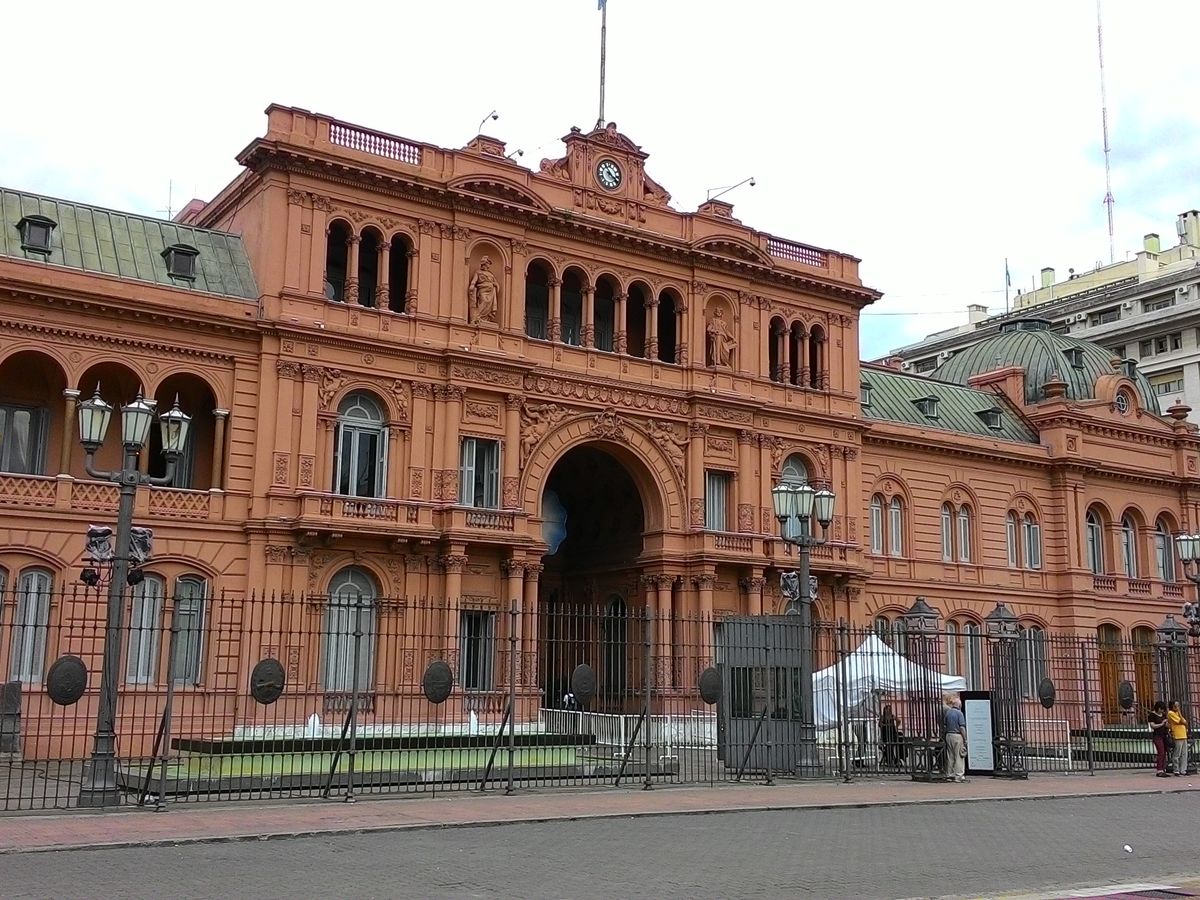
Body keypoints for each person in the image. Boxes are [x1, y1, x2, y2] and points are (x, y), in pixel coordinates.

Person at [943, 696, 967, 783]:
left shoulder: (948, 713)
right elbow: (962, 727)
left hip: (948, 735)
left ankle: (949, 775)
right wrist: (965, 738)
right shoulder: (959, 713)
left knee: (950, 756)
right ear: (959, 705)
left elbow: (944, 725)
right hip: (957, 736)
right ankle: (959, 776)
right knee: (959, 756)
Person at [1148, 700, 1170, 777]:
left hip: (1164, 735)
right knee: (1161, 752)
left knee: (1165, 752)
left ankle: (1163, 768)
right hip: (1157, 735)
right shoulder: (1152, 715)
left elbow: (1167, 725)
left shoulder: (1163, 715)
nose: (1162, 711)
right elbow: (1152, 726)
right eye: (1161, 709)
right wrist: (1161, 724)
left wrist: (1167, 724)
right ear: (1158, 708)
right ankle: (1159, 770)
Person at [1168, 700, 1189, 777]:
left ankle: (1183, 770)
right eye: (1176, 706)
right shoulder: (1170, 713)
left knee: (1184, 753)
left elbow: (1185, 722)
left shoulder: (1177, 713)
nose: (1177, 707)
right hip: (1177, 735)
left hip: (1183, 735)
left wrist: (1179, 713)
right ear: (1172, 706)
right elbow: (1181, 721)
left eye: (1178, 706)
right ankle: (1176, 770)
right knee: (1177, 753)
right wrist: (1179, 713)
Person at [879, 704, 904, 769]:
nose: (888, 711)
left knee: (899, 741)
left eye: (889, 710)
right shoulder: (883, 717)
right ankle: (891, 760)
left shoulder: (892, 716)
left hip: (893, 733)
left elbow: (899, 721)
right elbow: (880, 725)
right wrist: (885, 725)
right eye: (887, 709)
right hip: (885, 734)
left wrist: (895, 726)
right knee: (889, 746)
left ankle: (898, 758)